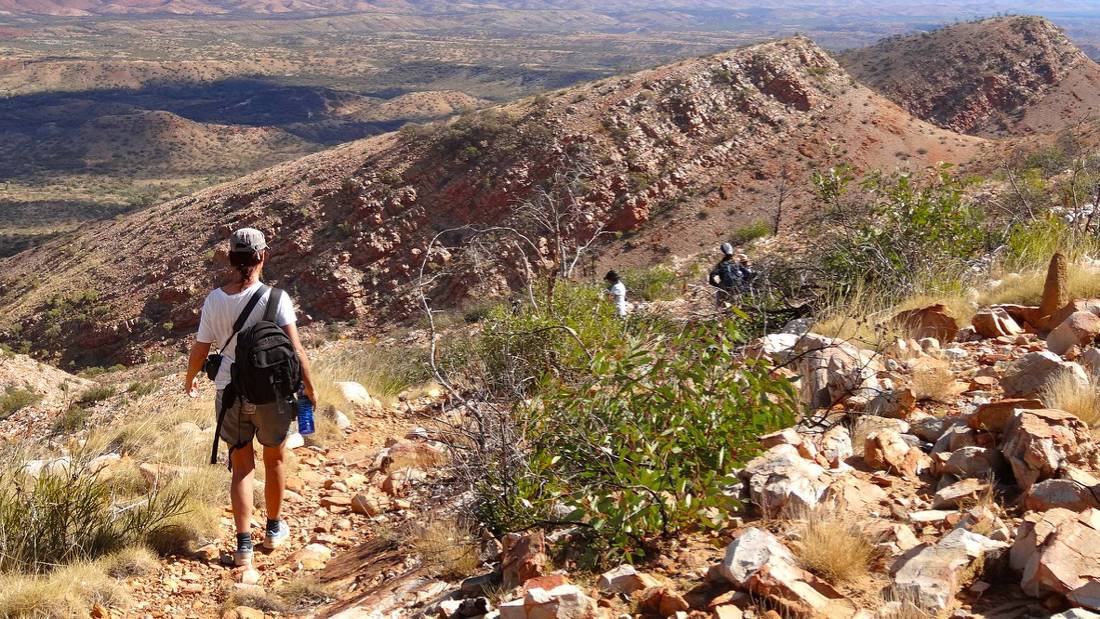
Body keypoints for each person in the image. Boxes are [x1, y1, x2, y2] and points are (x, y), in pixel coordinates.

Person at [183, 227, 317, 568]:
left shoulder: (214, 300)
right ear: (263, 257)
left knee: (241, 467)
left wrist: (189, 379)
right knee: (274, 460)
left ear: (230, 259)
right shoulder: (277, 298)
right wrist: (309, 387)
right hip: (272, 392)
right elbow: (296, 349)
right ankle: (273, 529)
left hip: (230, 392)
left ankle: (243, 546)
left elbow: (200, 349)